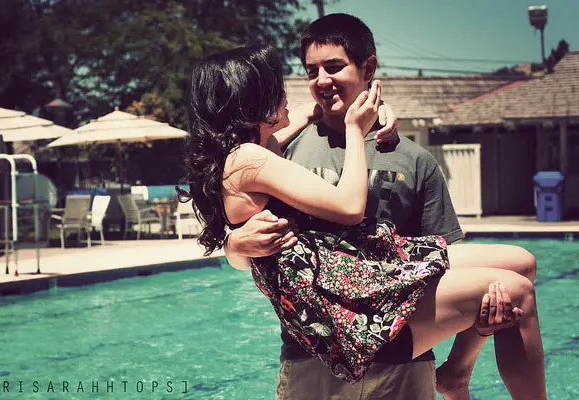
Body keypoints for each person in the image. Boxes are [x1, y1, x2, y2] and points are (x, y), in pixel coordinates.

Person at [185, 39, 546, 400]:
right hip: (338, 300)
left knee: (521, 262)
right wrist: (357, 130)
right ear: (252, 100)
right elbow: (348, 206)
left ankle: (455, 373)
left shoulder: (260, 143)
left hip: (349, 266)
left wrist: (376, 108)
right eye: (275, 85)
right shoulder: (249, 157)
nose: (287, 90)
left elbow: (308, 110)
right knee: (519, 290)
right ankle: (461, 375)